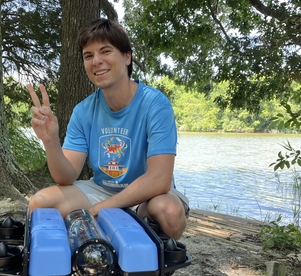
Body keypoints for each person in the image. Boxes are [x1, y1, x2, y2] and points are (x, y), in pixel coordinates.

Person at [26, 18, 188, 240]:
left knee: (169, 212)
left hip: (148, 195)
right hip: (102, 189)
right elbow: (66, 176)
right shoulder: (83, 111)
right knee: (40, 203)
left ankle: (155, 267)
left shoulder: (155, 104)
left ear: (127, 57)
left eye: (105, 51)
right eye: (88, 56)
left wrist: (100, 209)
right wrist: (51, 141)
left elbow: (159, 178)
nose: (96, 61)